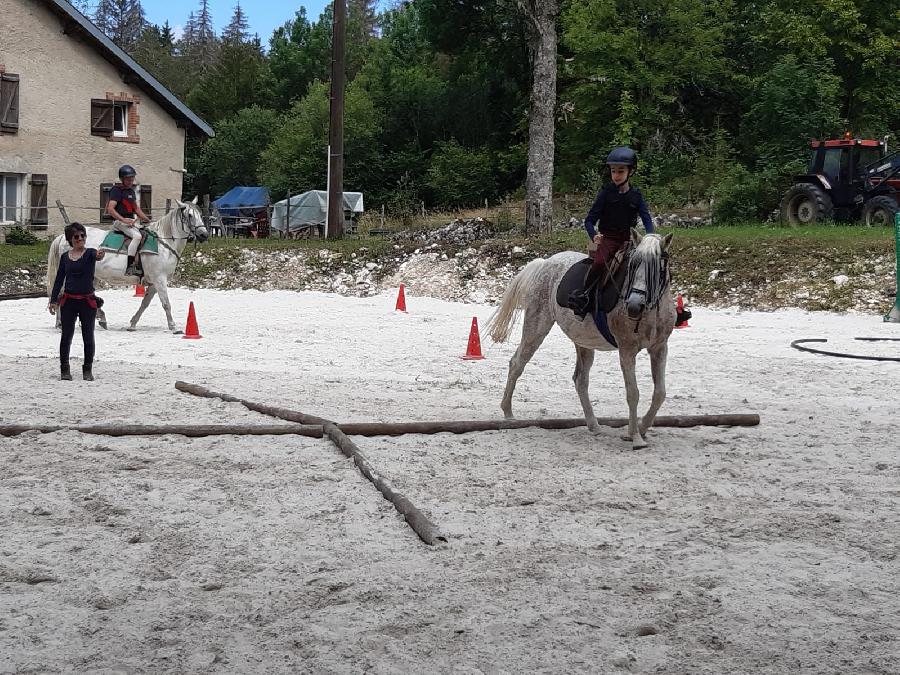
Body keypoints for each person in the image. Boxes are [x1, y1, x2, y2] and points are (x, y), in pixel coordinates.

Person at [570, 146, 655, 318]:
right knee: (600, 263)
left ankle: (655, 299)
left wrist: (651, 236)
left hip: (629, 241)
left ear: (630, 172)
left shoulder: (637, 196)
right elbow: (589, 220)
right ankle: (584, 296)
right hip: (608, 239)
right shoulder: (605, 194)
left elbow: (646, 218)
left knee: (649, 263)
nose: (616, 175)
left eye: (620, 171)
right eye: (613, 171)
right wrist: (593, 235)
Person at [48, 223, 106, 381]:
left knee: (88, 337)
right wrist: (53, 301)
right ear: (70, 240)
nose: (80, 238)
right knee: (66, 336)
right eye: (76, 237)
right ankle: (64, 369)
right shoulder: (65, 257)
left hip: (87, 302)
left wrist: (101, 254)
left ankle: (87, 369)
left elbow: (98, 256)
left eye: (83, 235)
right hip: (69, 302)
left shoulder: (90, 254)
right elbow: (59, 279)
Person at [107, 164, 150, 276]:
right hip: (119, 221)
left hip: (130, 221)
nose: (131, 180)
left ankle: (142, 262)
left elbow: (136, 209)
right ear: (122, 179)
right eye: (128, 178)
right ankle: (129, 266)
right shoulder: (116, 190)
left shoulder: (131, 192)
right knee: (137, 236)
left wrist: (147, 219)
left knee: (147, 233)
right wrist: (123, 220)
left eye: (132, 178)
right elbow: (110, 209)